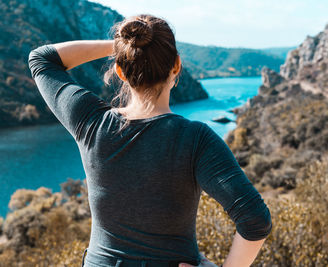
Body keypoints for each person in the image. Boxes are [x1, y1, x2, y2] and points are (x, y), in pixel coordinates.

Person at [28, 14, 272, 267]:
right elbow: (255, 221)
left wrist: (124, 47)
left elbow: (42, 59)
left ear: (120, 71)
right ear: (176, 66)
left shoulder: (92, 123)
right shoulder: (196, 139)